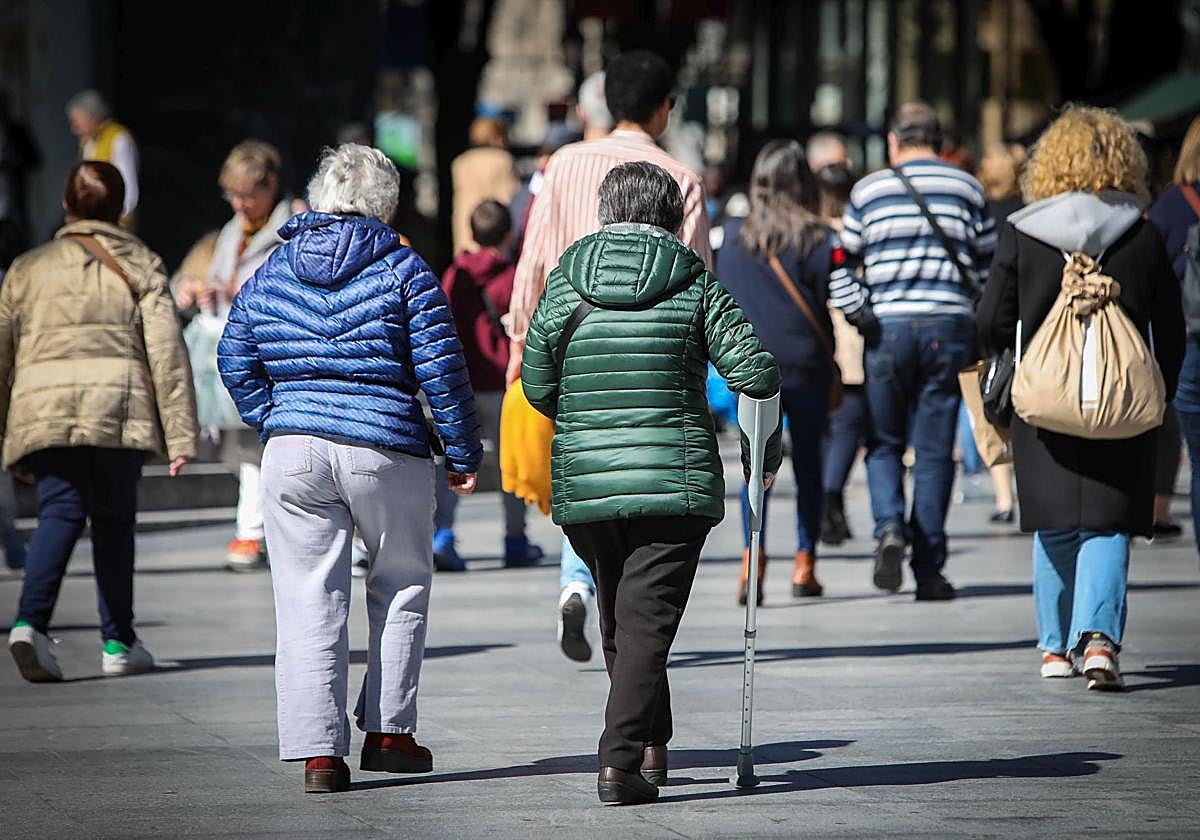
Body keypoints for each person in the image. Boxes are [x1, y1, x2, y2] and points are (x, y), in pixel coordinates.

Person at [218, 143, 482, 794]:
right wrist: (461, 450)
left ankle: (319, 755)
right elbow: (442, 370)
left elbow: (233, 354)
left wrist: (274, 415)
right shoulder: (404, 268)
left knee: (308, 600)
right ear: (385, 205)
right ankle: (390, 735)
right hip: (384, 447)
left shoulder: (274, 270)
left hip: (294, 450)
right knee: (401, 584)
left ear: (316, 198)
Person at [522, 161, 781, 805]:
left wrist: (586, 420)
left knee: (623, 617)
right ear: (675, 216)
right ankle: (618, 764)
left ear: (605, 213)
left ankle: (651, 745)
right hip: (675, 480)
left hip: (586, 484)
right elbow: (755, 373)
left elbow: (536, 383)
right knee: (642, 623)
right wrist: (763, 449)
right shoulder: (695, 283)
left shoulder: (566, 281)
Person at [507, 51, 711, 662]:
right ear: (663, 108)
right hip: (654, 358)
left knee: (586, 455)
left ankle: (578, 581)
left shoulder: (562, 165)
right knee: (634, 462)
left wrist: (522, 344)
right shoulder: (680, 177)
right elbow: (699, 282)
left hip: (568, 340)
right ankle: (608, 602)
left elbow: (534, 261)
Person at [976, 105, 1184, 689]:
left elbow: (992, 319)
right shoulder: (1141, 232)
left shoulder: (1024, 229)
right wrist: (1157, 387)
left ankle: (1051, 648)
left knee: (1055, 525)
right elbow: (1168, 326)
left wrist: (1010, 363)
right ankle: (1098, 643)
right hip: (1123, 403)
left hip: (1043, 399)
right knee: (1109, 523)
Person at [3, 161, 198, 682]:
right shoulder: (140, 261)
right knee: (114, 519)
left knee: (59, 511)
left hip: (43, 406)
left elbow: (2, 354)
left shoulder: (27, 268)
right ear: (120, 210)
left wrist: (5, 431)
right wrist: (181, 433)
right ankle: (118, 639)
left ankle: (29, 623)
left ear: (66, 207)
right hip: (119, 405)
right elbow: (166, 351)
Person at [831, 102, 996, 601]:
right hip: (948, 329)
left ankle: (889, 529)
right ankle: (928, 568)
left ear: (893, 142)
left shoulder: (868, 190)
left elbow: (840, 267)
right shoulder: (967, 187)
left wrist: (862, 314)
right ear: (940, 141)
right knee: (932, 450)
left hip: (888, 330)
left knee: (882, 442)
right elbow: (988, 266)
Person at [717, 140, 839, 602]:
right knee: (810, 464)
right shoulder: (818, 238)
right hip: (807, 364)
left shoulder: (732, 236)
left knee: (755, 467)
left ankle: (753, 560)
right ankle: (804, 562)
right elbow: (838, 295)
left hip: (751, 367)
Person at [174, 140, 294, 572]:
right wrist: (189, 289)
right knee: (244, 451)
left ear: (271, 185)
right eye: (233, 195)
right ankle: (256, 532)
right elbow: (190, 275)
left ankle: (252, 533)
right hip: (229, 352)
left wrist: (248, 294)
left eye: (248, 194)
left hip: (273, 353)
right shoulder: (226, 235)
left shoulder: (294, 224)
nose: (241, 204)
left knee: (257, 449)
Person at [435, 199, 542, 568]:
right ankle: (515, 540)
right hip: (503, 384)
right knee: (510, 466)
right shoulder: (513, 277)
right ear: (509, 234)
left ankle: (442, 535)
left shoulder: (454, 274)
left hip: (459, 385)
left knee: (454, 461)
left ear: (470, 233)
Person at [1149, 114, 1200, 549]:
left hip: (1187, 338)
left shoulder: (1168, 205)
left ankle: (1163, 512)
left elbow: (1151, 275)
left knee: (1194, 454)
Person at [814, 162, 866, 546]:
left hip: (817, 338)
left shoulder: (811, 231)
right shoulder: (852, 233)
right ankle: (832, 498)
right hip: (851, 338)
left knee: (822, 430)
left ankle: (827, 500)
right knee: (849, 421)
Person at [65, 90, 138, 226]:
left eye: (77, 122)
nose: (74, 129)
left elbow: (128, 183)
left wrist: (121, 216)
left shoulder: (119, 138)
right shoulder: (87, 142)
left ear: (93, 117)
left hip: (114, 221)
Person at [450, 116, 519, 256]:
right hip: (494, 235)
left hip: (467, 233)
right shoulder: (503, 161)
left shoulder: (460, 163)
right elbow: (511, 198)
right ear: (495, 136)